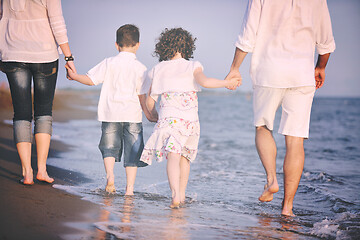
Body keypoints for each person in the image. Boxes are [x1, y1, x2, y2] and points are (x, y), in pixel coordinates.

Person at [226, 0, 335, 216]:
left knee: (262, 127)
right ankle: (287, 208)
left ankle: (271, 180)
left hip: (268, 71)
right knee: (295, 140)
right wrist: (321, 66)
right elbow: (326, 41)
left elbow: (248, 36)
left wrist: (234, 68)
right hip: (302, 74)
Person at [140, 28, 240, 208]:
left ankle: (175, 195)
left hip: (169, 120)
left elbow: (149, 101)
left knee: (173, 157)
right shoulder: (193, 65)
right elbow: (205, 82)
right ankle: (183, 195)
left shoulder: (158, 68)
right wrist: (227, 83)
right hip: (190, 122)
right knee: (185, 158)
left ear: (163, 47)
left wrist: (152, 114)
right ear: (187, 46)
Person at [66, 24, 156, 195]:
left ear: (116, 44)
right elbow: (141, 96)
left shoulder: (109, 62)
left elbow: (91, 79)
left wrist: (74, 76)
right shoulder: (141, 68)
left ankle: (110, 178)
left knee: (109, 147)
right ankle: (129, 189)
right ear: (138, 45)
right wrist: (148, 114)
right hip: (132, 116)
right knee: (133, 152)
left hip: (110, 113)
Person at [0, 0, 76, 185]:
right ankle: (42, 170)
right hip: (44, 54)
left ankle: (27, 172)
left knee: (21, 113)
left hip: (13, 52)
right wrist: (68, 56)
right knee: (43, 112)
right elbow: (57, 21)